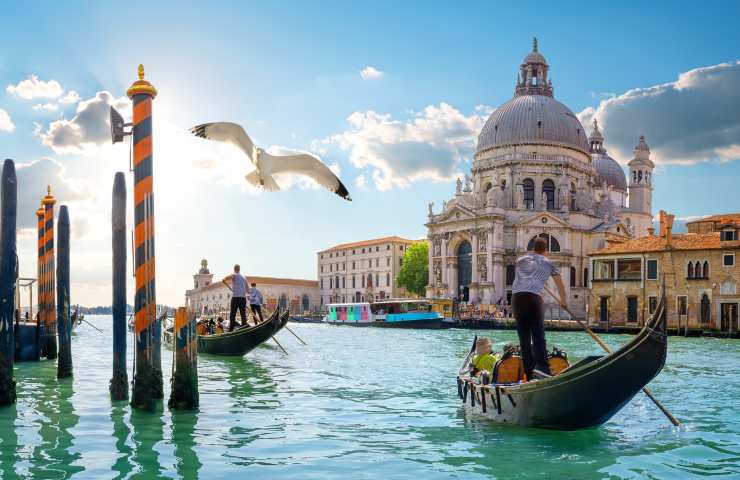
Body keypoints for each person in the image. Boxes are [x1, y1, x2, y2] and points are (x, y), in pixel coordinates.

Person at [511, 236, 567, 380]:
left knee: (524, 337)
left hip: (516, 299)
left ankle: (529, 373)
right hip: (533, 299)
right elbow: (560, 284)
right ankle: (542, 369)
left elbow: (526, 277)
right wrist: (563, 301)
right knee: (538, 335)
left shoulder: (520, 260)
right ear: (546, 250)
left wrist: (541, 284)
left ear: (532, 249)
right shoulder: (549, 263)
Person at [223, 264, 249, 331]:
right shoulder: (244, 277)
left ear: (234, 269)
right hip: (243, 298)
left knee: (232, 314)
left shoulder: (234, 274)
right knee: (243, 314)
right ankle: (244, 327)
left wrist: (224, 279)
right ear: (239, 269)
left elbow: (227, 278)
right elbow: (248, 289)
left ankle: (230, 330)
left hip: (236, 298)